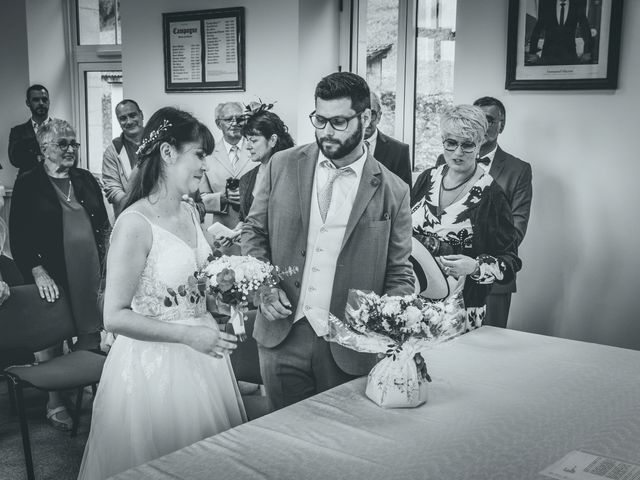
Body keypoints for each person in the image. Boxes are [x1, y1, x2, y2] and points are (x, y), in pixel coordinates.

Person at [78, 107, 246, 479]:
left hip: (203, 354)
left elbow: (195, 282)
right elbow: (114, 315)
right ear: (168, 153)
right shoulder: (134, 223)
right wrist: (188, 334)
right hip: (154, 366)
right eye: (199, 154)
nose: (205, 165)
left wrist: (232, 291)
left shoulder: (190, 212)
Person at [242, 72, 415, 411]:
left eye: (338, 122)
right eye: (319, 120)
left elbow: (399, 274)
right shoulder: (282, 164)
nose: (325, 132)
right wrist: (263, 286)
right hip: (282, 337)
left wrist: (391, 325)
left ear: (365, 119)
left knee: (340, 449)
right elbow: (253, 232)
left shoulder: (394, 190)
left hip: (350, 350)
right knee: (282, 442)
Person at [9, 119, 110, 431]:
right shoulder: (28, 182)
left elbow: (103, 226)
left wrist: (109, 264)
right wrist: (38, 272)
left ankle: (87, 390)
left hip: (90, 270)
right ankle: (55, 400)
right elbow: (19, 236)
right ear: (44, 149)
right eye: (62, 143)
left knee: (92, 333)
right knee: (51, 337)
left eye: (73, 143)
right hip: (52, 273)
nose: (70, 149)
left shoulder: (85, 179)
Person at [412, 105, 521, 331]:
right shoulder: (427, 178)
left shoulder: (491, 194)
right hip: (413, 303)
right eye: (451, 143)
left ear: (480, 143)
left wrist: (474, 267)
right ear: (443, 140)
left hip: (459, 311)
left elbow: (510, 261)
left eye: (467, 144)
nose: (458, 152)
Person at [471, 97, 532, 328]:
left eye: (490, 120)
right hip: (448, 279)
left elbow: (516, 230)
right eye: (477, 119)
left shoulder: (519, 170)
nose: (483, 126)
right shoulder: (447, 161)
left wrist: (476, 257)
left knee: (490, 355)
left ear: (501, 125)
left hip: (494, 278)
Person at [216, 106, 294, 248]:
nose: (248, 146)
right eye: (247, 140)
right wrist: (236, 232)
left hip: (282, 250)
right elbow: (245, 219)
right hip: (255, 252)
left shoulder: (292, 174)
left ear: (272, 140)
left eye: (254, 140)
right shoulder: (247, 179)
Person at [199, 102, 258, 253]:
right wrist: (223, 198)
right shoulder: (208, 155)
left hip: (255, 231)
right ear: (218, 124)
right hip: (223, 236)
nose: (234, 123)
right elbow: (200, 199)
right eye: (228, 119)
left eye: (239, 119)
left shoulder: (257, 148)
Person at [102, 99, 144, 218]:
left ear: (141, 115)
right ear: (119, 121)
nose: (129, 121)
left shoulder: (159, 143)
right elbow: (113, 189)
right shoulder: (112, 152)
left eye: (132, 115)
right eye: (123, 118)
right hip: (129, 217)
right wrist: (140, 209)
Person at [365, 91, 412, 186]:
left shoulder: (399, 151)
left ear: (379, 116)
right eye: (363, 115)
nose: (367, 121)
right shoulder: (342, 147)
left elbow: (405, 195)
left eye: (372, 114)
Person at [526, 0, 594, 65]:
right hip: (548, 56)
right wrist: (532, 52)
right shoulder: (546, 4)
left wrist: (587, 52)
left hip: (570, 55)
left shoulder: (577, 4)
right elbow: (537, 29)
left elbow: (585, 29)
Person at [8, 84, 51, 175]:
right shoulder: (18, 132)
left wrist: (30, 151)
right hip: (27, 184)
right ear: (28, 103)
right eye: (36, 100)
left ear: (49, 101)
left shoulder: (62, 129)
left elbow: (68, 159)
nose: (41, 103)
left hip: (55, 184)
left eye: (44, 99)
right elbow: (15, 160)